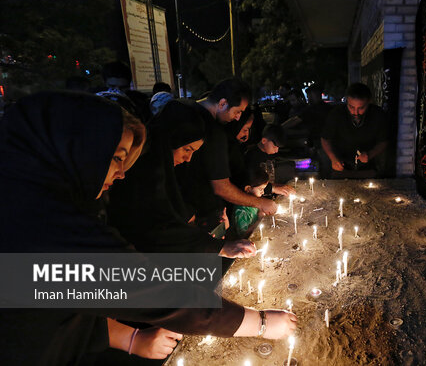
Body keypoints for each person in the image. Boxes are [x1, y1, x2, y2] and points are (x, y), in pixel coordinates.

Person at [0, 92, 297, 364]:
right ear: (77, 148)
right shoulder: (33, 224)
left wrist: (131, 339)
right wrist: (259, 322)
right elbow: (135, 284)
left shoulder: (43, 205)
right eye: (116, 157)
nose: (121, 173)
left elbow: (66, 297)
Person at [107, 99, 255, 258]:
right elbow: (157, 227)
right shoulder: (144, 169)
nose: (188, 158)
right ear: (172, 138)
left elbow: (172, 209)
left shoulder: (163, 167)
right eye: (187, 149)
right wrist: (219, 247)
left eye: (193, 152)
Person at [176, 78, 278, 232]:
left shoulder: (182, 109)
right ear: (223, 103)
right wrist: (261, 203)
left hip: (183, 208)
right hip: (197, 214)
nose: (237, 118)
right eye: (238, 112)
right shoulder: (214, 132)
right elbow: (221, 187)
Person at [321, 83, 388, 178]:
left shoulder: (378, 115)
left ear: (369, 102)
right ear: (346, 100)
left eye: (361, 108)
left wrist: (370, 154)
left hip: (367, 168)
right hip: (341, 167)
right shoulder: (336, 114)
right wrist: (333, 158)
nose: (355, 112)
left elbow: (383, 141)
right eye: (351, 107)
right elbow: (325, 139)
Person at [244, 124, 296, 197]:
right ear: (264, 140)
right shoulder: (252, 156)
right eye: (275, 146)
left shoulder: (269, 152)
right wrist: (274, 188)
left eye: (278, 148)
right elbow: (252, 184)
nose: (276, 150)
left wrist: (281, 186)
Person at [231, 165, 270, 239]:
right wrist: (260, 219)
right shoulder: (241, 211)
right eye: (261, 189)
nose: (263, 192)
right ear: (248, 188)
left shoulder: (255, 201)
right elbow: (243, 235)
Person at [225, 108, 255, 189]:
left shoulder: (241, 147)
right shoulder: (230, 147)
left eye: (248, 129)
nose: (246, 133)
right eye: (244, 129)